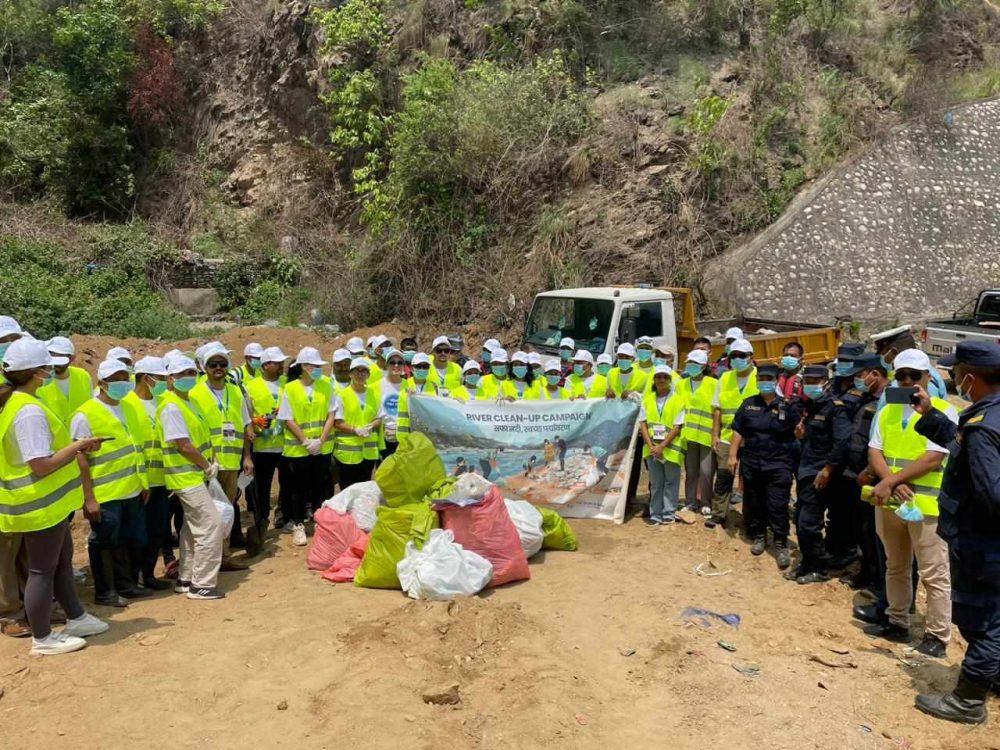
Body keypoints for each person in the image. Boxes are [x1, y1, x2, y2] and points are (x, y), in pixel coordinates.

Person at [0, 338, 109, 654]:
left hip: (52, 504)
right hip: (39, 506)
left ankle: (76, 616)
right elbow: (40, 464)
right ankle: (43, 638)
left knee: (60, 562)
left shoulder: (21, 403)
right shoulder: (28, 411)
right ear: (37, 373)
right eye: (45, 367)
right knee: (41, 571)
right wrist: (77, 447)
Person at [912, 342, 1000, 725]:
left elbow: (993, 492)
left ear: (970, 377)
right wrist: (932, 417)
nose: (951, 378)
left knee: (987, 623)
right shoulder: (989, 416)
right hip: (987, 543)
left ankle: (967, 701)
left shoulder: (985, 427)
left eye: (955, 371)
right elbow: (966, 445)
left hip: (985, 545)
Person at [865, 348, 955, 657]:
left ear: (928, 377)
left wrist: (890, 481)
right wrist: (891, 481)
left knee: (934, 574)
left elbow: (932, 458)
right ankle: (897, 621)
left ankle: (937, 636)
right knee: (896, 565)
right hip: (892, 504)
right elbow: (874, 451)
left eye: (913, 376)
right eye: (900, 375)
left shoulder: (943, 410)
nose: (906, 381)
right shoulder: (887, 410)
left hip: (926, 507)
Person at [71, 359, 152, 606]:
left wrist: (143, 482)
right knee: (105, 540)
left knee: (130, 539)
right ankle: (105, 592)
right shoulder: (85, 414)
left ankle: (126, 585)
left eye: (124, 377)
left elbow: (135, 447)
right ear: (102, 383)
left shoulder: (128, 406)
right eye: (115, 379)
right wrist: (89, 498)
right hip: (104, 492)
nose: (121, 383)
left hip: (131, 487)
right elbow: (80, 457)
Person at [156, 355, 225, 600]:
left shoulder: (190, 401)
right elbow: (183, 445)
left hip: (196, 474)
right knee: (209, 525)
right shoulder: (172, 407)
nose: (188, 377)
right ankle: (202, 583)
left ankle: (186, 579)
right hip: (185, 477)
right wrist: (207, 466)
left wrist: (210, 462)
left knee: (190, 529)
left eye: (191, 373)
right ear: (171, 379)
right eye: (181, 374)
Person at [786, 365, 855, 584]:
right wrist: (800, 436)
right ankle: (807, 563)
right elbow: (812, 439)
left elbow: (842, 441)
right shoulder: (810, 406)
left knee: (809, 523)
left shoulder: (836, 408)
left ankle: (817, 568)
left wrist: (827, 469)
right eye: (807, 380)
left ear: (826, 382)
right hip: (806, 471)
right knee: (800, 521)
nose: (810, 384)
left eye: (815, 380)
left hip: (821, 474)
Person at [728, 364, 799, 568]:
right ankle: (759, 536)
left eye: (769, 378)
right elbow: (738, 430)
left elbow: (799, 432)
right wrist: (733, 455)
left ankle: (780, 543)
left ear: (777, 380)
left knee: (777, 505)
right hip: (752, 462)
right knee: (755, 502)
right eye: (761, 378)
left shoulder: (787, 406)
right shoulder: (749, 404)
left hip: (778, 464)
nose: (764, 381)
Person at [190, 343, 253, 566]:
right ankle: (206, 559)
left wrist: (246, 456)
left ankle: (223, 557)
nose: (218, 368)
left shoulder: (235, 392)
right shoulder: (194, 393)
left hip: (232, 464)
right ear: (204, 367)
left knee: (227, 511)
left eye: (222, 364)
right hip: (207, 467)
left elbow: (246, 425)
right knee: (208, 515)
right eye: (213, 364)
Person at [847, 355, 895, 622]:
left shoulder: (890, 399)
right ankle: (869, 576)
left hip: (884, 478)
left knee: (882, 538)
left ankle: (883, 590)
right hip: (868, 474)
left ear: (875, 374)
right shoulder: (870, 399)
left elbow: (882, 442)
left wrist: (872, 472)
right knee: (867, 530)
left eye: (862, 374)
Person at [122, 356, 172, 590]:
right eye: (160, 378)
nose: (164, 382)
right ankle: (131, 578)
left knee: (158, 529)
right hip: (137, 482)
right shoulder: (126, 403)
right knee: (136, 534)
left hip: (162, 480)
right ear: (146, 378)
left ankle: (148, 574)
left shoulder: (162, 401)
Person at [279, 348, 335, 546]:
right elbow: (287, 418)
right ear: (303, 367)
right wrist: (305, 441)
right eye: (315, 366)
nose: (318, 369)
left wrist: (320, 440)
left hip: (321, 447)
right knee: (298, 488)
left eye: (320, 366)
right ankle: (298, 524)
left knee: (320, 485)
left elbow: (331, 414)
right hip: (298, 448)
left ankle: (319, 522)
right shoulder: (291, 388)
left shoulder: (326, 386)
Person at [707, 338, 758, 528]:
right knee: (723, 477)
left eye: (741, 356)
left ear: (751, 357)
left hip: (753, 440)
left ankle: (750, 518)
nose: (736, 359)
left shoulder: (760, 378)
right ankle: (719, 513)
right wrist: (715, 435)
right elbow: (717, 409)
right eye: (733, 356)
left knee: (751, 480)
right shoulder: (725, 378)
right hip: (728, 438)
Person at [244, 347, 289, 537]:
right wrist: (255, 422)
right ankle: (261, 520)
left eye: (282, 362)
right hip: (262, 448)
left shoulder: (288, 384)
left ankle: (284, 516)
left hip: (287, 445)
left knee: (288, 484)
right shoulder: (251, 387)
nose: (282, 366)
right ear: (265, 365)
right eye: (277, 363)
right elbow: (245, 417)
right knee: (262, 487)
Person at [639, 365, 686, 525]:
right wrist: (651, 445)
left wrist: (662, 446)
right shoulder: (647, 400)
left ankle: (668, 513)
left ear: (670, 380)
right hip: (652, 449)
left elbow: (677, 426)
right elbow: (643, 424)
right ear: (654, 379)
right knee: (656, 483)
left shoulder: (678, 400)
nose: (661, 380)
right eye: (658, 377)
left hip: (670, 449)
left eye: (665, 377)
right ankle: (655, 514)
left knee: (671, 482)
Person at [326, 359, 382, 489]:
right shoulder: (342, 395)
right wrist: (355, 430)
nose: (360, 374)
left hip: (368, 453)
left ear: (368, 375)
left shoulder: (374, 394)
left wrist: (370, 426)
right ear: (350, 374)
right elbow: (338, 422)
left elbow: (379, 418)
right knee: (347, 488)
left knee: (363, 489)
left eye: (364, 371)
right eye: (357, 371)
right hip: (347, 454)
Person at [680, 349, 717, 514]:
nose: (692, 366)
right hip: (688, 435)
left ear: (704, 366)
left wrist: (716, 433)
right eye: (690, 363)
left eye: (696, 364)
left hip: (707, 435)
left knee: (706, 471)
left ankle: (706, 503)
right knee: (691, 471)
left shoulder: (713, 384)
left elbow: (717, 410)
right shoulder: (682, 384)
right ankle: (690, 502)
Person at [870, 325, 949, 399]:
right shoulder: (927, 370)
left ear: (893, 352)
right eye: (900, 376)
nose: (883, 359)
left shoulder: (918, 382)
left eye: (883, 355)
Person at [36, 337, 93, 425]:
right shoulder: (39, 381)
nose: (55, 363)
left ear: (72, 358)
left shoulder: (83, 376)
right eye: (52, 355)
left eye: (61, 357)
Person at [377, 349, 405, 457]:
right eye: (392, 362)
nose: (396, 365)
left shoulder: (409, 386)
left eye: (400, 362)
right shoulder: (376, 386)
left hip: (403, 439)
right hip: (384, 439)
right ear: (386, 364)